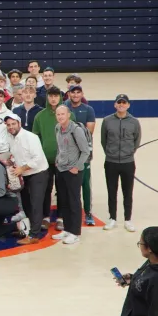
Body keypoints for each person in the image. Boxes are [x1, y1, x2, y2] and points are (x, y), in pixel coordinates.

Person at [33, 86, 75, 232]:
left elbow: (73, 138)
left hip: (63, 161)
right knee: (46, 189)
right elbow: (36, 138)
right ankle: (45, 217)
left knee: (62, 189)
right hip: (45, 160)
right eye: (50, 96)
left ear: (60, 97)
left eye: (56, 96)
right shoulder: (40, 116)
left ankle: (61, 218)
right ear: (47, 97)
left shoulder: (69, 115)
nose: (53, 98)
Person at [5, 114, 48, 245]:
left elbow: (37, 159)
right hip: (24, 175)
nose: (11, 127)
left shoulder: (31, 137)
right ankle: (30, 229)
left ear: (19, 123)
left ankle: (34, 235)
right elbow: (16, 154)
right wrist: (11, 161)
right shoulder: (10, 138)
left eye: (13, 124)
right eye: (8, 125)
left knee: (35, 204)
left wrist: (21, 168)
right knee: (26, 204)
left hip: (38, 173)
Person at [102, 94, 142, 232]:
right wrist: (110, 153)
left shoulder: (134, 122)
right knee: (111, 191)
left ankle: (127, 219)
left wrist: (128, 152)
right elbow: (103, 140)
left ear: (128, 105)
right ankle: (112, 218)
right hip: (111, 162)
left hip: (128, 162)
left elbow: (136, 140)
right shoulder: (107, 121)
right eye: (119, 102)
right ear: (115, 104)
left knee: (128, 192)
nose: (121, 105)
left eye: (124, 103)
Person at [53, 105, 91, 245]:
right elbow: (60, 147)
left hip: (73, 171)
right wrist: (57, 160)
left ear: (68, 115)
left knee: (74, 201)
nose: (60, 117)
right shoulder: (57, 128)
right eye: (58, 114)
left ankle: (75, 232)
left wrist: (77, 167)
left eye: (63, 114)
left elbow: (85, 151)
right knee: (64, 201)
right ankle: (67, 229)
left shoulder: (76, 130)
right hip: (61, 169)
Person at [64, 84, 97, 226]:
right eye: (73, 92)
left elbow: (89, 131)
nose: (75, 95)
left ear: (82, 94)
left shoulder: (88, 109)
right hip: (68, 153)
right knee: (69, 184)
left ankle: (88, 212)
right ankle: (70, 212)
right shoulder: (64, 108)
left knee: (85, 183)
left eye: (78, 92)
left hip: (84, 152)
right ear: (69, 94)